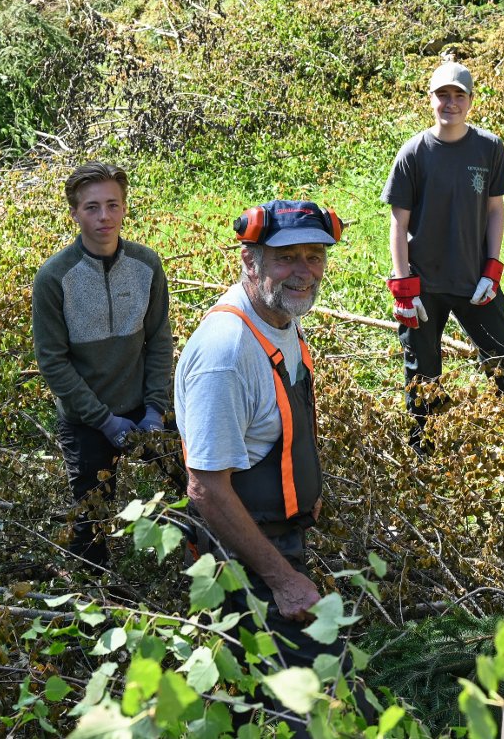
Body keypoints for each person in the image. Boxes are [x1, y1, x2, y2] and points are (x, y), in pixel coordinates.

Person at [174, 200, 347, 732]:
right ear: (250, 262)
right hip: (243, 560)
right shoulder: (228, 352)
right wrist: (282, 579)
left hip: (280, 543)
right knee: (300, 707)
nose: (303, 270)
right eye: (286, 257)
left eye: (314, 256)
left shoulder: (280, 319)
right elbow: (205, 489)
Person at [382, 59, 504, 451]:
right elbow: (398, 224)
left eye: (458, 96)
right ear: (430, 99)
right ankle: (424, 452)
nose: (450, 103)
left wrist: (492, 271)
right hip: (424, 286)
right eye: (442, 95)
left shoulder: (488, 147)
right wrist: (404, 291)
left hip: (474, 280)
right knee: (421, 372)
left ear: (470, 102)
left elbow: (496, 210)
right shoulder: (414, 153)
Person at [32, 160, 173, 569]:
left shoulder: (147, 264)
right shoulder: (55, 277)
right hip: (86, 419)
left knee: (198, 482)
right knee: (91, 520)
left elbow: (159, 339)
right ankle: (96, 598)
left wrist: (154, 409)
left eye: (113, 204)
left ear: (125, 208)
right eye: (92, 207)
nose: (104, 216)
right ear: (74, 213)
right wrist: (103, 421)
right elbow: (53, 363)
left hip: (143, 407)